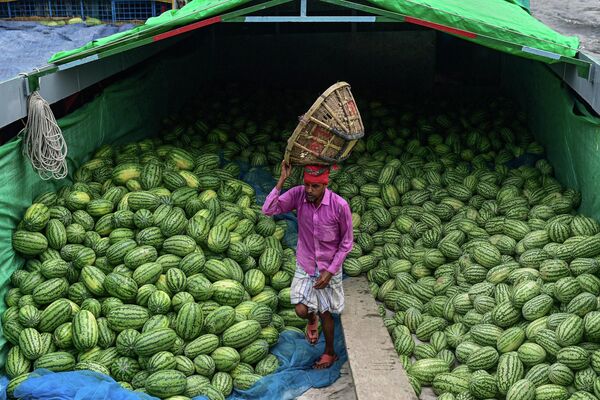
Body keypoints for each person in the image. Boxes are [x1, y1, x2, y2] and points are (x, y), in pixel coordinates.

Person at [262, 161, 353, 369]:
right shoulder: (298, 195)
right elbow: (268, 209)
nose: (310, 190)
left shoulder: (340, 206)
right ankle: (311, 318)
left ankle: (330, 353)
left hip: (328, 267)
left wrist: (330, 272)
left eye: (315, 186)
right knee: (301, 310)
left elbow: (346, 243)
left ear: (325, 185)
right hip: (306, 263)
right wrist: (281, 180)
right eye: (307, 185)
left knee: (326, 313)